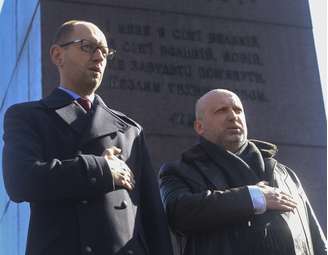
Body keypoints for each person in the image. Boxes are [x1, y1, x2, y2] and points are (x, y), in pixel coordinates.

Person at [2, 20, 173, 255]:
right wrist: (101, 169)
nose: (98, 57)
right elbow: (20, 182)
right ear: (57, 55)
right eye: (87, 47)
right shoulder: (27, 117)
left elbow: (153, 219)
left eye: (104, 51)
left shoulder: (131, 130)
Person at [159, 89, 326, 255]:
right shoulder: (180, 171)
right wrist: (253, 197)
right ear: (199, 126)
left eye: (238, 110)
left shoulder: (285, 174)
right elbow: (179, 214)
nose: (233, 116)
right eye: (221, 110)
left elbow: (317, 240)